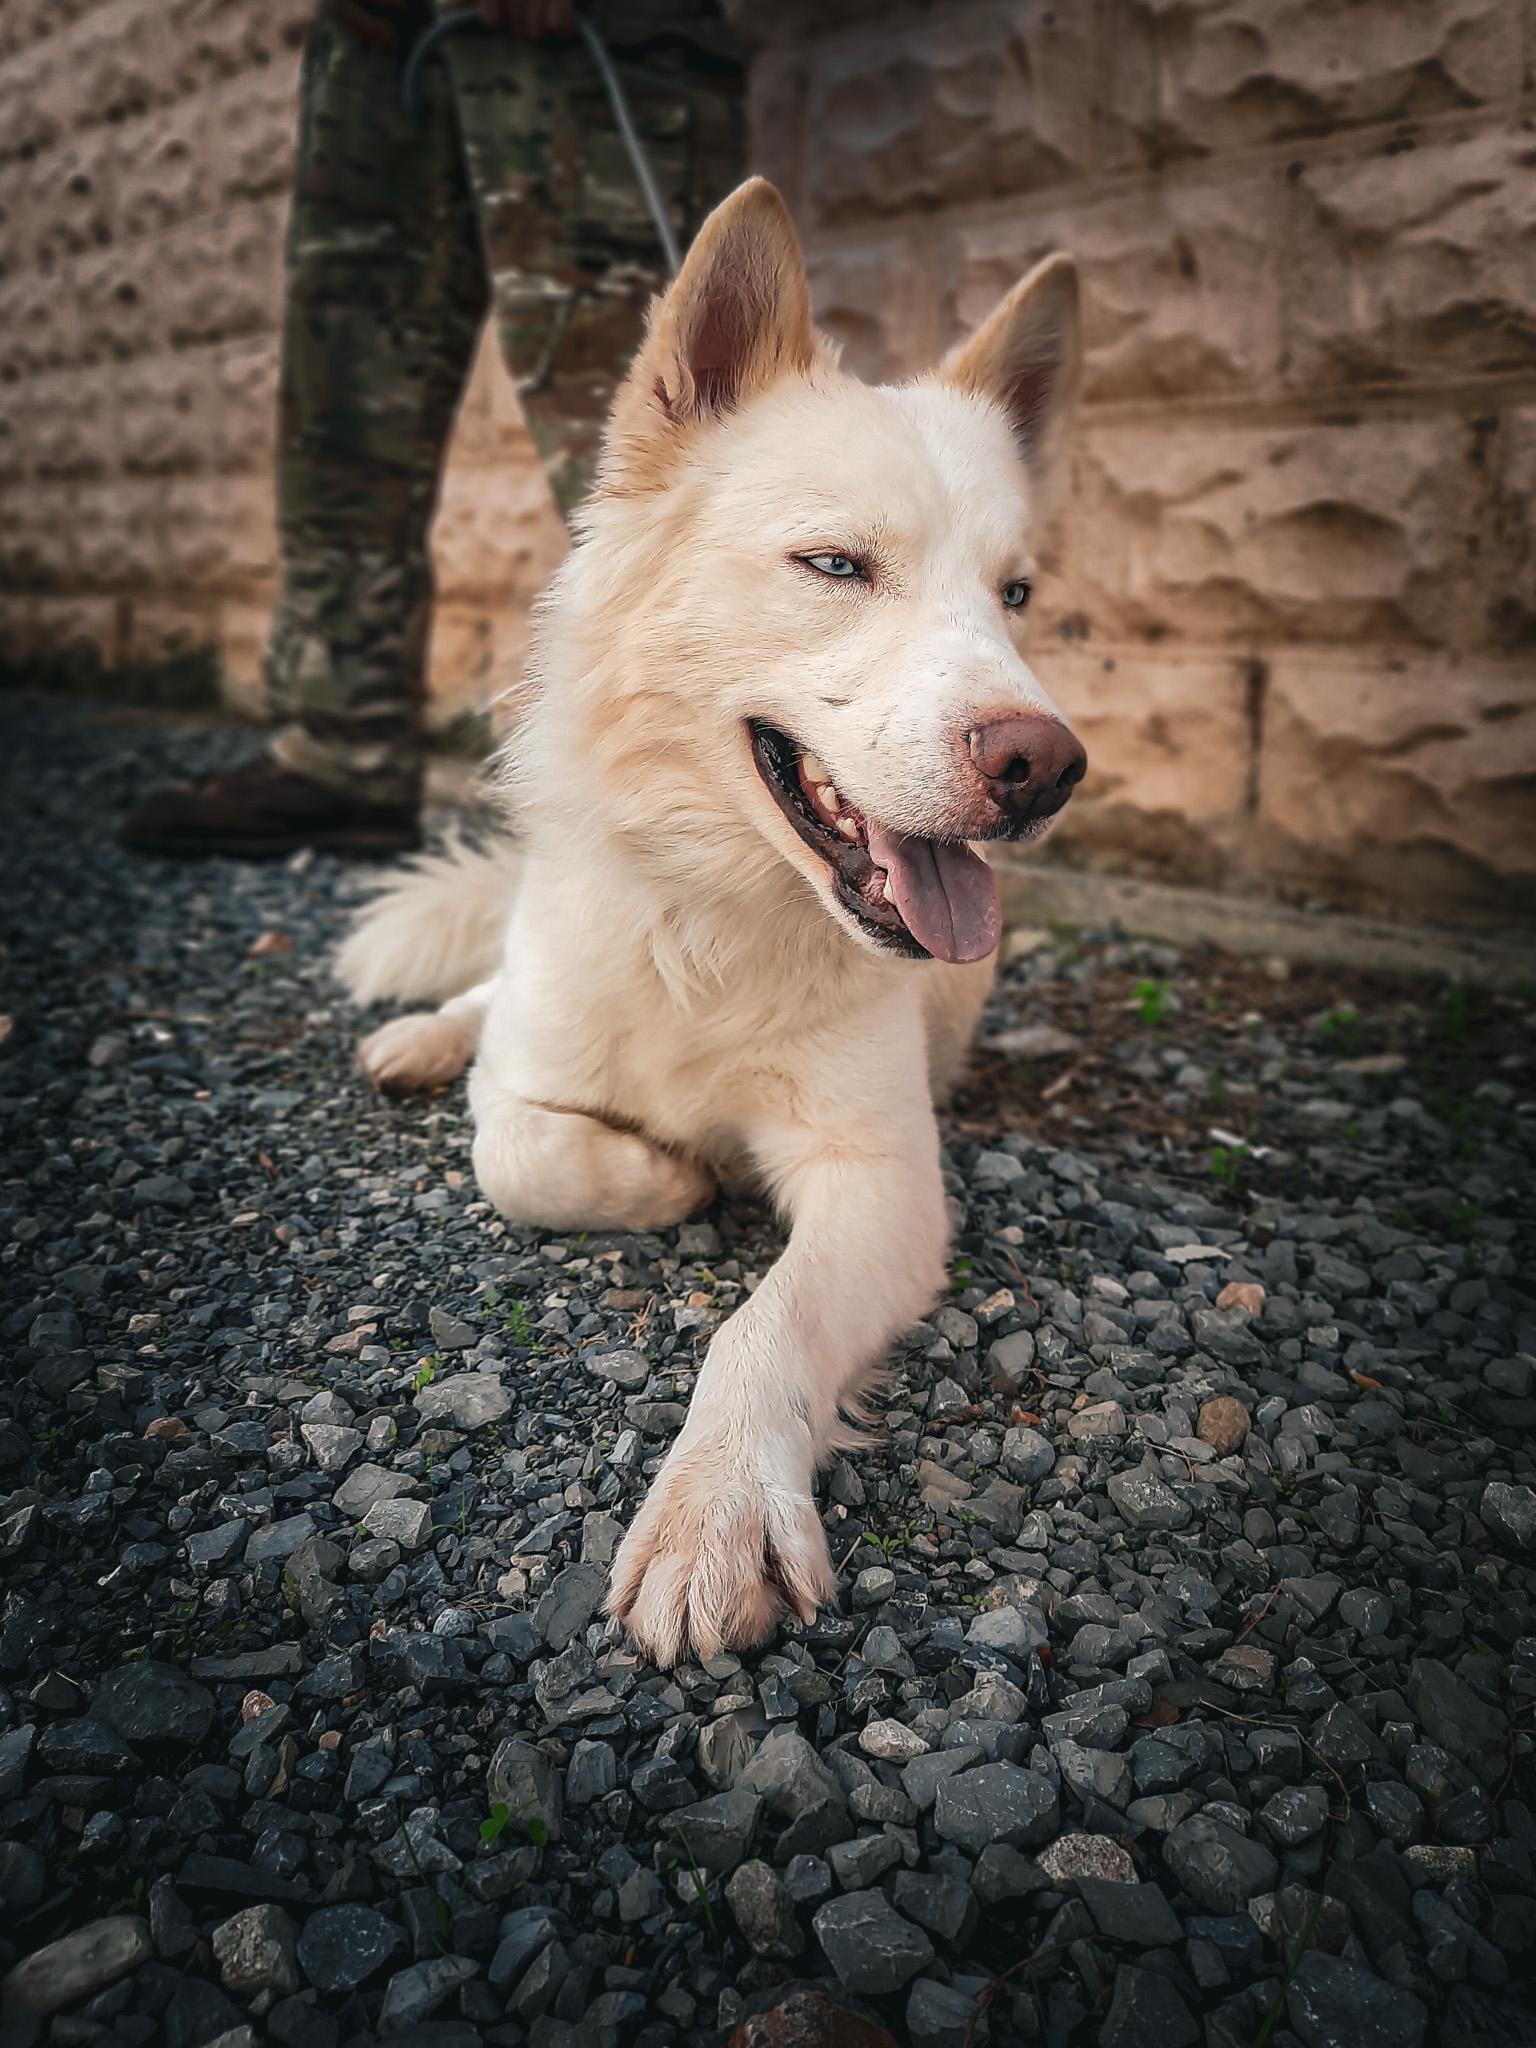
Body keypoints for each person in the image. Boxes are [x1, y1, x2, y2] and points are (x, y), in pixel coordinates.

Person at [123, 0, 744, 858]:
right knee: (342, 403)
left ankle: (721, 796)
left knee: (652, 431)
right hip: (377, 37)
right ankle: (340, 749)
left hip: (580, 32)